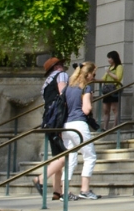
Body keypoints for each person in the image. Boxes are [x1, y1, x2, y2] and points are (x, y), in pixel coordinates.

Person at [63, 63, 100, 200]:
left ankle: (64, 192)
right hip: (79, 124)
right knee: (90, 156)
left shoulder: (69, 87)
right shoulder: (86, 87)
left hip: (66, 125)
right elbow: (86, 109)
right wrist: (90, 98)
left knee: (71, 158)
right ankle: (85, 190)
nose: (94, 77)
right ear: (87, 74)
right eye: (93, 74)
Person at [36, 56, 69, 199]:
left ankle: (57, 191)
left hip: (48, 120)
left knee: (57, 156)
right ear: (56, 67)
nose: (63, 66)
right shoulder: (61, 75)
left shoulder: (46, 83)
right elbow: (63, 94)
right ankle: (41, 178)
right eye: (60, 65)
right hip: (58, 120)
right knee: (65, 156)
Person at [99, 52, 124, 129]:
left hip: (114, 89)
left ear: (114, 58)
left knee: (114, 108)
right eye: (108, 58)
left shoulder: (119, 67)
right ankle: (105, 127)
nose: (108, 60)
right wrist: (94, 79)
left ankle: (115, 126)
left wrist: (109, 73)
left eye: (110, 58)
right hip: (107, 90)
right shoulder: (109, 68)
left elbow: (118, 78)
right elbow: (103, 79)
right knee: (106, 110)